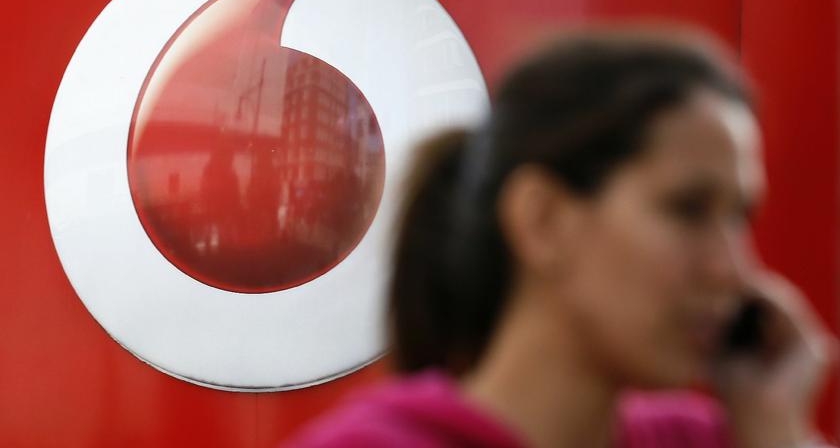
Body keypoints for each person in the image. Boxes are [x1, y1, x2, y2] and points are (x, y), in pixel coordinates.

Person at [285, 29, 836, 448]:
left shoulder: (721, 436)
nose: (734, 272)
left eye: (740, 217)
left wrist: (774, 430)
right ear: (542, 220)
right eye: (688, 210)